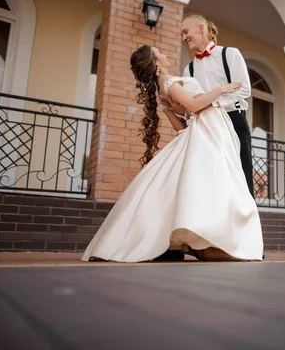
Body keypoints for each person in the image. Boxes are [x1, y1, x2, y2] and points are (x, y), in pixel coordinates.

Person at [81, 45, 263, 263]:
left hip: (205, 128)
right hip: (208, 126)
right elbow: (195, 106)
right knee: (220, 182)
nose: (166, 54)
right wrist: (221, 90)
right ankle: (215, 237)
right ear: (156, 62)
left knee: (207, 183)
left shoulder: (163, 89)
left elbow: (179, 127)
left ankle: (209, 238)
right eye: (160, 53)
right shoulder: (169, 83)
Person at [179, 13, 254, 196]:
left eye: (186, 31)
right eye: (182, 34)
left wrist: (212, 104)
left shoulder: (230, 54)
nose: (183, 38)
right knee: (212, 177)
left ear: (201, 28)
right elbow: (192, 103)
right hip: (206, 125)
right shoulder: (188, 70)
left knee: (241, 177)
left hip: (234, 120)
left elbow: (244, 90)